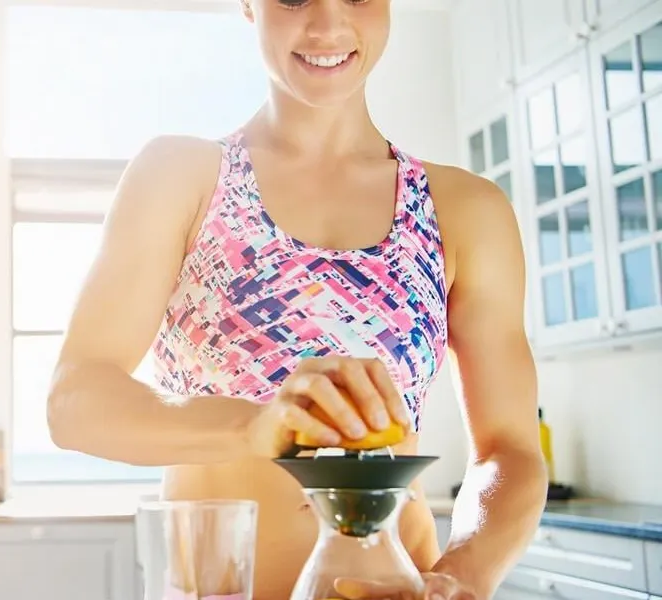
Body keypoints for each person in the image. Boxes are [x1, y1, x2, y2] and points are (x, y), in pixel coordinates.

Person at [45, 0, 549, 598]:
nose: (328, 24)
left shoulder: (465, 209)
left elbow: (508, 453)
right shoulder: (181, 175)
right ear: (248, 6)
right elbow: (75, 400)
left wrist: (460, 577)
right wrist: (254, 427)